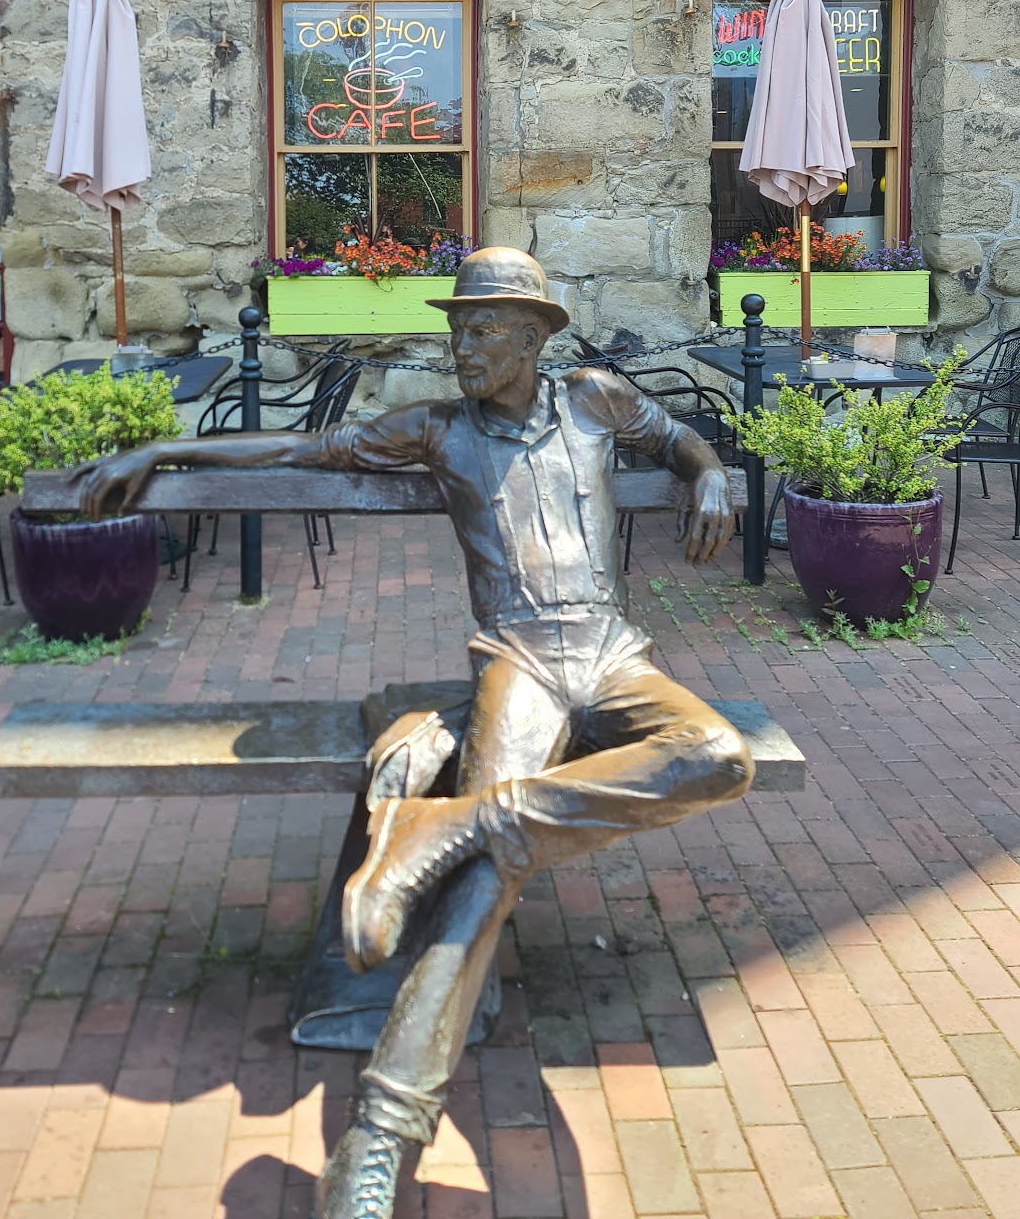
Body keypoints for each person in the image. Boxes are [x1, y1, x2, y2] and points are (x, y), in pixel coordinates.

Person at [82, 248, 753, 1219]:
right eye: (456, 330)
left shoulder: (593, 399)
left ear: (531, 339)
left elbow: (679, 437)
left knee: (718, 757)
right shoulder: (438, 430)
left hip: (616, 656)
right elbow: (304, 450)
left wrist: (712, 473)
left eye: (481, 331)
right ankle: (377, 1138)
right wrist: (166, 453)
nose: (461, 347)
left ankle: (445, 825)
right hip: (518, 663)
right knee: (484, 883)